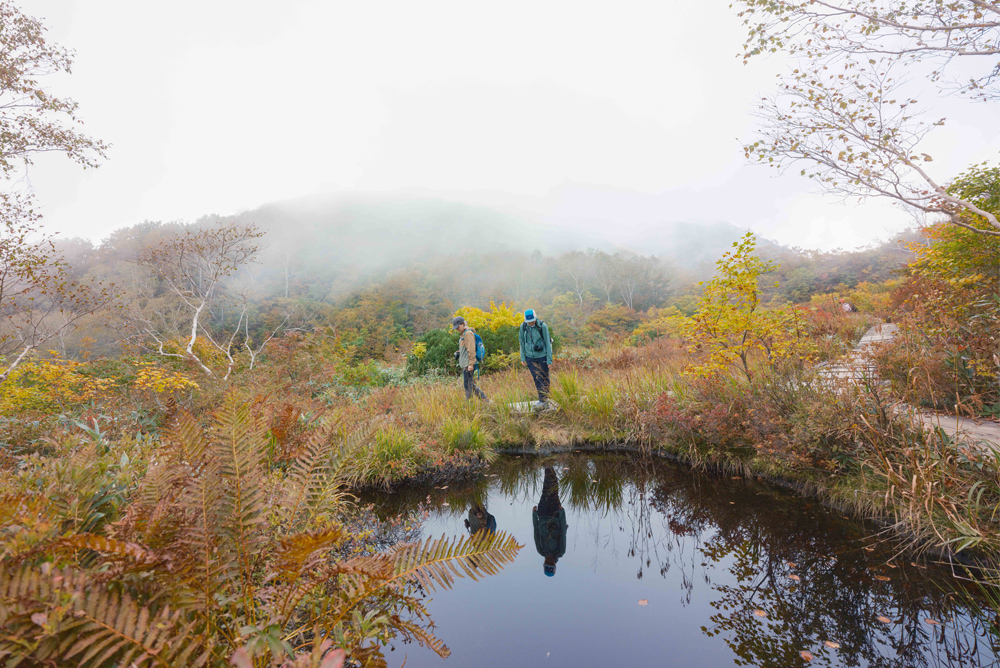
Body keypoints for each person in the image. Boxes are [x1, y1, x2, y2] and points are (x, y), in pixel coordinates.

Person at [532, 467, 567, 577]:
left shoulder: (541, 550)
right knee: (553, 486)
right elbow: (562, 532)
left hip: (542, 515)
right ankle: (548, 463)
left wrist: (534, 515)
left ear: (544, 563)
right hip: (554, 515)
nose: (549, 561)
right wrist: (562, 514)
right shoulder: (560, 551)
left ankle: (547, 463)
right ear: (554, 564)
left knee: (546, 489)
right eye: (551, 564)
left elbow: (536, 533)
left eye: (546, 563)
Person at [518, 309, 553, 407]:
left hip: (542, 356)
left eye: (532, 321)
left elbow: (547, 342)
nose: (530, 323)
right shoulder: (523, 326)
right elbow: (521, 342)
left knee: (544, 377)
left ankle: (544, 399)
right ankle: (542, 400)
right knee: (537, 378)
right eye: (528, 321)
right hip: (530, 357)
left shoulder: (542, 326)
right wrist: (523, 357)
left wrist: (549, 359)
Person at [453, 316, 488, 401]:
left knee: (468, 384)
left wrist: (471, 364)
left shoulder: (468, 333)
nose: (457, 328)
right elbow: (466, 348)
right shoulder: (463, 334)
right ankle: (485, 400)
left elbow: (471, 350)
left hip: (468, 363)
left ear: (462, 324)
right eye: (456, 327)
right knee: (469, 384)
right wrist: (459, 352)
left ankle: (469, 402)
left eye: (458, 326)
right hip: (465, 363)